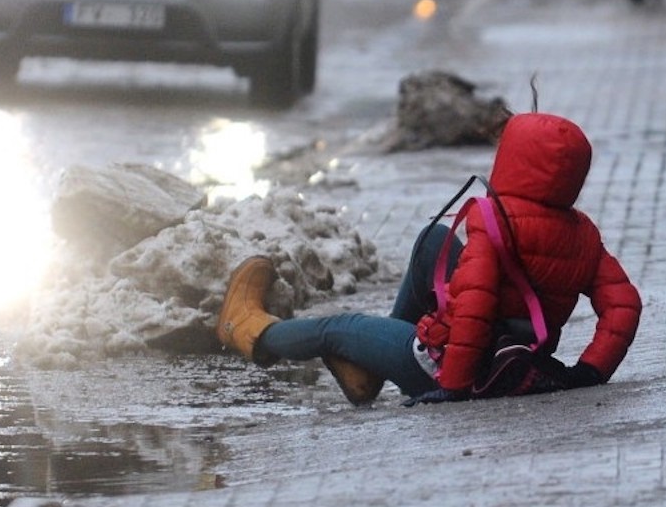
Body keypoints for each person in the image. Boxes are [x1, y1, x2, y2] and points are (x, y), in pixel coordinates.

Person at [215, 112, 643, 403]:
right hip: (513, 360)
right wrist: (591, 372)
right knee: (432, 240)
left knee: (337, 327)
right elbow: (624, 305)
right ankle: (367, 368)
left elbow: (474, 309)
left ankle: (249, 330)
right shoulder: (582, 232)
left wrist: (452, 386)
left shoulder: (494, 221)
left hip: (447, 365)